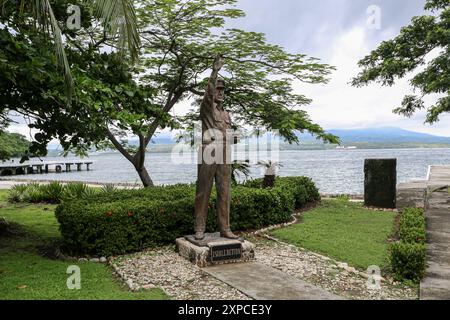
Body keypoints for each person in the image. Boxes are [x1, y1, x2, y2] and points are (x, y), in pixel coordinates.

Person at [194, 55, 239, 241]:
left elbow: (227, 134)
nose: (220, 93)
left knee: (224, 192)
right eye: (217, 90)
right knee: (204, 191)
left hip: (225, 153)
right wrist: (215, 71)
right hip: (209, 151)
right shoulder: (207, 109)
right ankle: (199, 228)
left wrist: (233, 137)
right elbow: (208, 92)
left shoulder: (226, 113)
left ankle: (225, 228)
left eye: (222, 90)